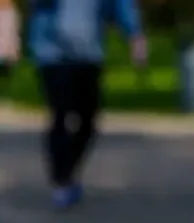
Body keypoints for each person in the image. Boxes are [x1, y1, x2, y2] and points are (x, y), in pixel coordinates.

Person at [27, 0, 148, 210]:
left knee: (88, 120)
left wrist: (134, 35)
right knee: (60, 114)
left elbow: (121, 5)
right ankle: (61, 179)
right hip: (52, 53)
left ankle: (69, 171)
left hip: (88, 53)